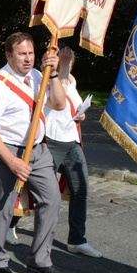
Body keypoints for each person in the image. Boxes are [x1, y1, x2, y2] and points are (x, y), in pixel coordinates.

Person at [0, 32, 72, 273]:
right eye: (22, 54)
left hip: (39, 149)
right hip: (7, 149)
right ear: (9, 55)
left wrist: (52, 73)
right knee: (4, 205)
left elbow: (60, 104)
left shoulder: (38, 77)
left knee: (51, 200)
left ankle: (39, 262)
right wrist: (11, 161)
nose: (28, 59)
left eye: (31, 53)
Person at [45, 46, 102, 258]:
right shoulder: (48, 77)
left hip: (71, 140)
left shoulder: (71, 79)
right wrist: (63, 68)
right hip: (51, 140)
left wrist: (80, 113)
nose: (69, 64)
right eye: (65, 60)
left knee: (81, 189)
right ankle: (10, 224)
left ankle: (77, 240)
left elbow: (72, 101)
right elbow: (57, 98)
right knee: (40, 191)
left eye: (71, 61)